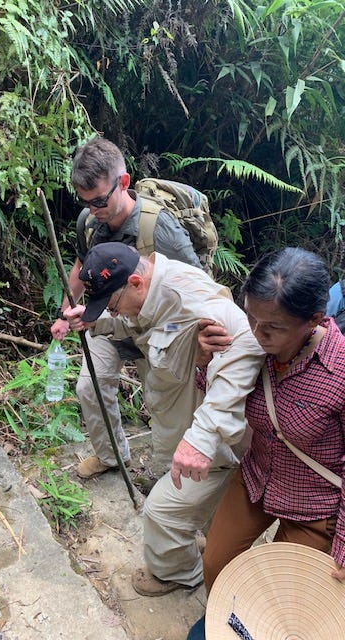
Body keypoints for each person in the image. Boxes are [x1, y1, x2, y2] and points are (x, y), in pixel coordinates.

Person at [64, 241, 265, 593]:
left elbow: (248, 339)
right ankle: (216, 552)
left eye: (111, 304)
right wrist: (95, 321)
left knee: (160, 512)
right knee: (211, 515)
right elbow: (137, 324)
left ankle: (180, 573)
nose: (114, 311)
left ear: (136, 283)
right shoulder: (147, 290)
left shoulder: (189, 296)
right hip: (179, 422)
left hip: (211, 441)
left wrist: (201, 439)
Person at [185, 247, 345, 640]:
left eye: (272, 327)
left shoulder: (339, 371)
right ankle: (224, 622)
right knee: (216, 561)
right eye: (250, 316)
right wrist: (207, 363)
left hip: (314, 505)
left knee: (282, 603)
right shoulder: (250, 344)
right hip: (256, 478)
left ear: (313, 320)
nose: (256, 333)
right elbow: (221, 396)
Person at [51, 136, 205, 480]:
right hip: (103, 313)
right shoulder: (89, 221)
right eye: (85, 201)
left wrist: (204, 345)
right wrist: (65, 313)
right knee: (90, 387)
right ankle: (111, 456)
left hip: (155, 327)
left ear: (123, 182)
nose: (94, 209)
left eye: (100, 200)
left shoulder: (159, 228)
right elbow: (80, 266)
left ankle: (167, 475)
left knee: (162, 404)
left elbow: (198, 285)